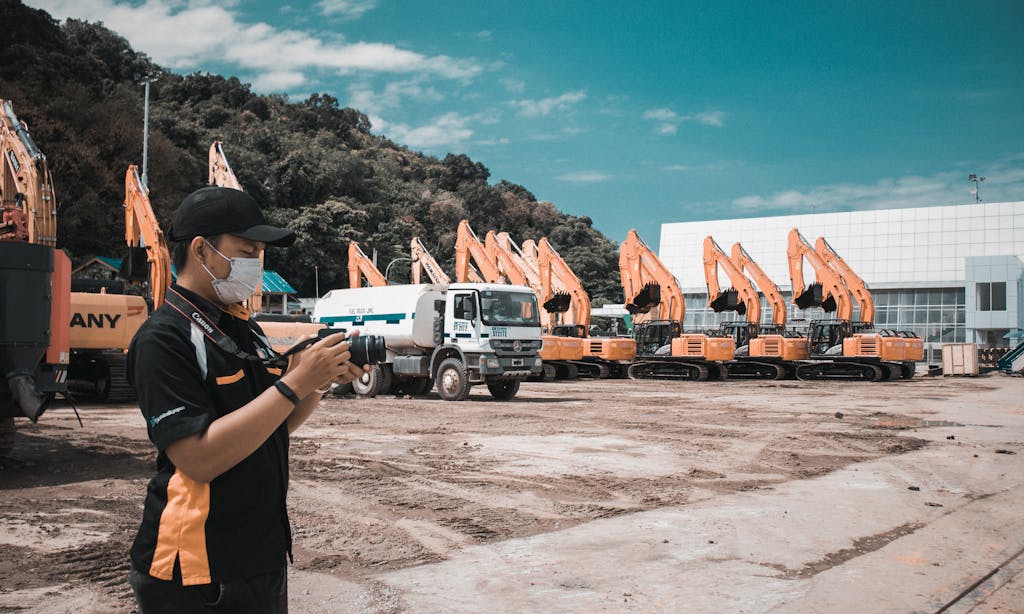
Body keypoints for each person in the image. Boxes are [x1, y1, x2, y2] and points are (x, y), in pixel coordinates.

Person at [126, 186, 367, 613]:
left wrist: (318, 380)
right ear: (201, 249)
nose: (255, 264)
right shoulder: (163, 339)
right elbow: (198, 459)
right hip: (200, 570)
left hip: (259, 555)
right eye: (246, 250)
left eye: (258, 253)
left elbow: (271, 426)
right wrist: (294, 384)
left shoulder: (243, 327)